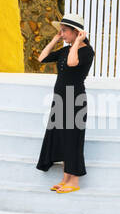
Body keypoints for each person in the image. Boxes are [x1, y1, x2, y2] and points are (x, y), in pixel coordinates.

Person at [36, 13, 95, 194]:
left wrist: (77, 42)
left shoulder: (86, 51)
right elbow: (42, 58)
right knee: (62, 138)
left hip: (75, 100)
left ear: (77, 33)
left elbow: (72, 62)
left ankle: (74, 180)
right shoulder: (64, 49)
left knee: (72, 139)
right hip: (60, 99)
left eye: (64, 31)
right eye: (60, 31)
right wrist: (55, 39)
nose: (62, 34)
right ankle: (65, 178)